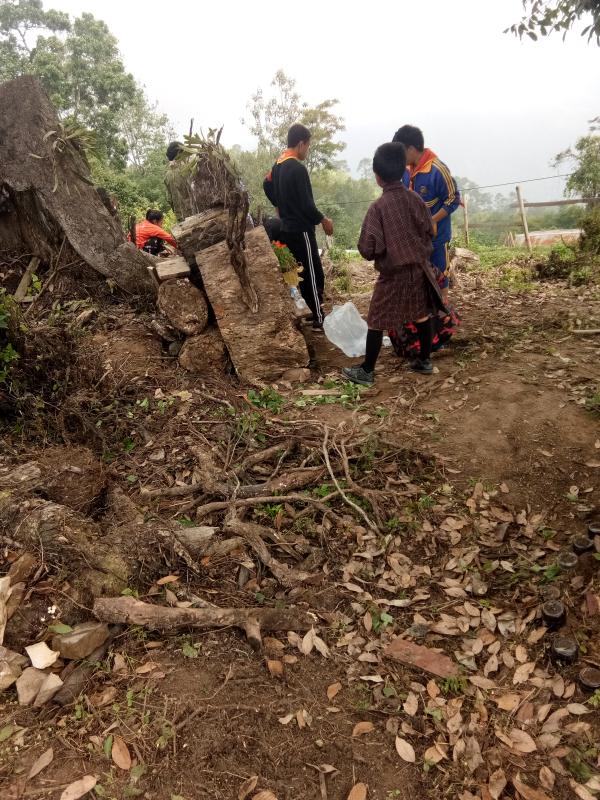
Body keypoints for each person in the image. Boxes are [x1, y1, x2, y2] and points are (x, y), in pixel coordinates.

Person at [342, 143, 445, 386]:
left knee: (376, 320)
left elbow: (368, 248)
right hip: (419, 270)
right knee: (420, 314)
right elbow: (429, 229)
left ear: (377, 177)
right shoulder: (415, 199)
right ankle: (424, 361)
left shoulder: (378, 208)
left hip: (392, 274)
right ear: (403, 170)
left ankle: (367, 370)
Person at [263, 123, 334, 331]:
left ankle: (313, 313)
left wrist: (278, 204)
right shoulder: (296, 167)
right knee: (312, 272)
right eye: (308, 146)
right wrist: (323, 219)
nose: (308, 150)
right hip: (301, 229)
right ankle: (319, 317)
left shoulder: (278, 165)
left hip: (286, 227)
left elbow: (265, 184)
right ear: (302, 143)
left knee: (303, 271)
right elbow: (306, 204)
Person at [392, 125, 460, 304]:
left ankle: (442, 312)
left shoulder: (437, 170)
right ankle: (423, 312)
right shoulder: (406, 170)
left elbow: (453, 199)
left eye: (401, 152)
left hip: (436, 237)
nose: (400, 158)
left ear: (412, 149)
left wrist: (432, 220)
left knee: (439, 272)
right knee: (418, 274)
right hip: (415, 237)